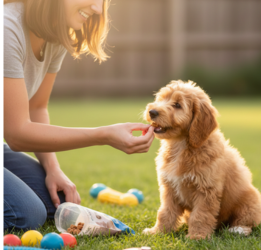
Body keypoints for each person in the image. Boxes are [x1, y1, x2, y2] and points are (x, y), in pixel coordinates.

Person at [3, 0, 155, 232]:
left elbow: (37, 108)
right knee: (26, 214)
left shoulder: (56, 33)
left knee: (59, 204)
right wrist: (103, 135)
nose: (97, 9)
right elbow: (16, 134)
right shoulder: (7, 29)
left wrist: (53, 169)